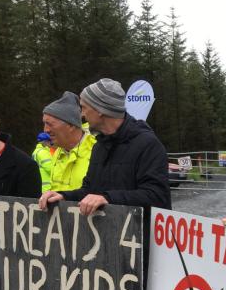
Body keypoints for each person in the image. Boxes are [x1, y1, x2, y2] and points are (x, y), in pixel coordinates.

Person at [38, 78, 170, 217]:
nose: (82, 115)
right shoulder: (99, 146)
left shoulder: (147, 144)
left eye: (84, 108)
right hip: (110, 235)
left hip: (139, 236)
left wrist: (107, 198)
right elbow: (89, 190)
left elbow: (157, 196)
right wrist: (64, 196)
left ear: (100, 110)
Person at [42, 91, 96, 193]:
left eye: (50, 124)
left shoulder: (95, 149)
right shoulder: (59, 151)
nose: (46, 130)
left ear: (71, 125)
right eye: (44, 124)